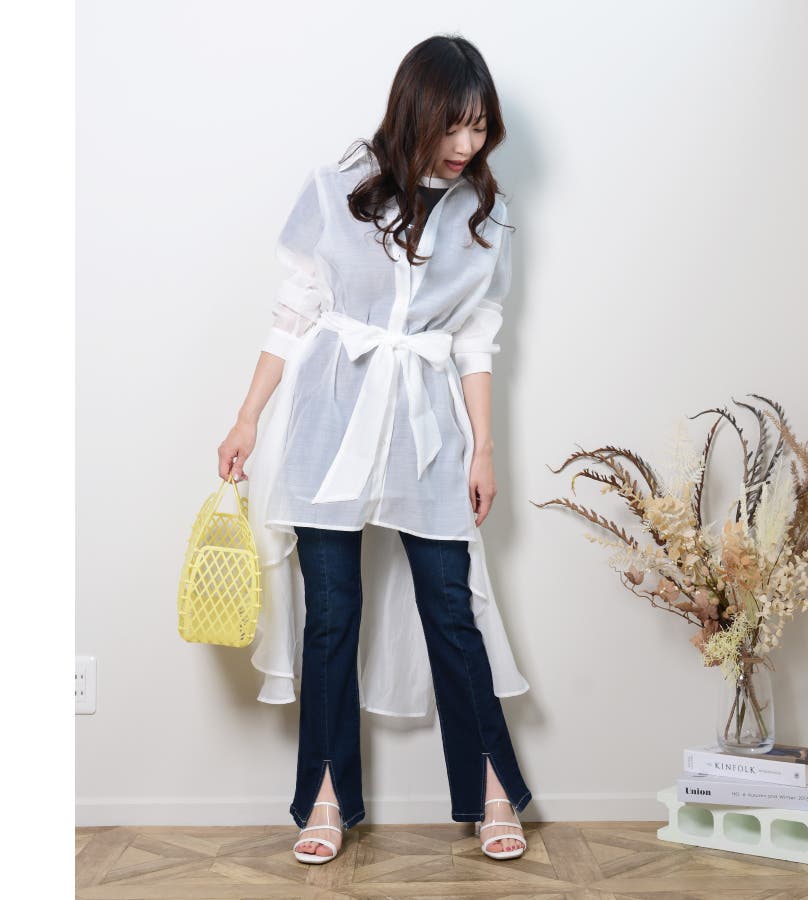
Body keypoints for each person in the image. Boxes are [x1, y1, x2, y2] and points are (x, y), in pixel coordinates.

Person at [218, 34, 531, 864]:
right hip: (329, 419)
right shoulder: (337, 190)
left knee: (450, 607)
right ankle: (326, 799)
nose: (467, 144)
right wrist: (247, 418)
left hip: (426, 425)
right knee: (331, 615)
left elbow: (475, 338)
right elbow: (293, 314)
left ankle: (491, 790)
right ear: (415, 111)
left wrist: (484, 450)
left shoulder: (486, 214)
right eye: (453, 125)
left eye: (480, 127)